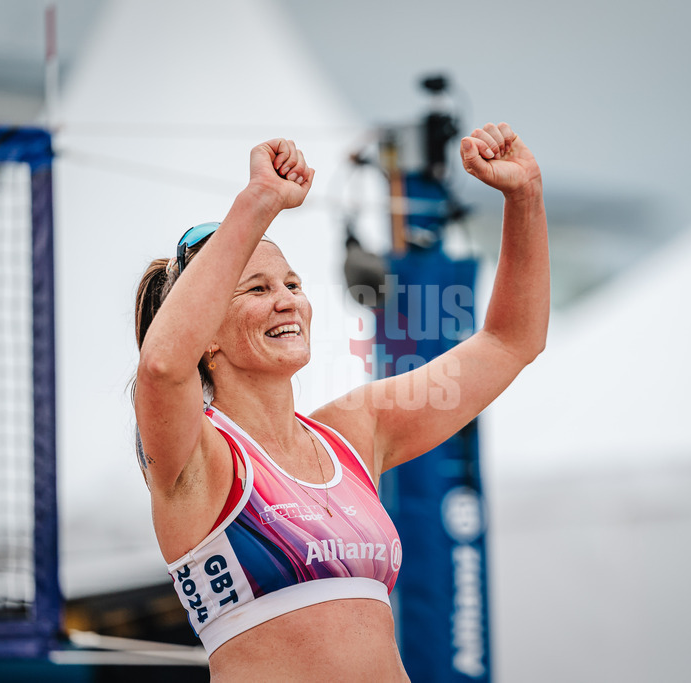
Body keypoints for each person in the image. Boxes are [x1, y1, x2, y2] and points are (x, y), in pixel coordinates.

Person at [132, 122, 548, 681]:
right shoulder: (196, 456)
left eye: (293, 284)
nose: (287, 301)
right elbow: (162, 364)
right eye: (257, 289)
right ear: (206, 334)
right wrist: (260, 201)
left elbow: (510, 341)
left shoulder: (353, 432)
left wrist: (526, 196)